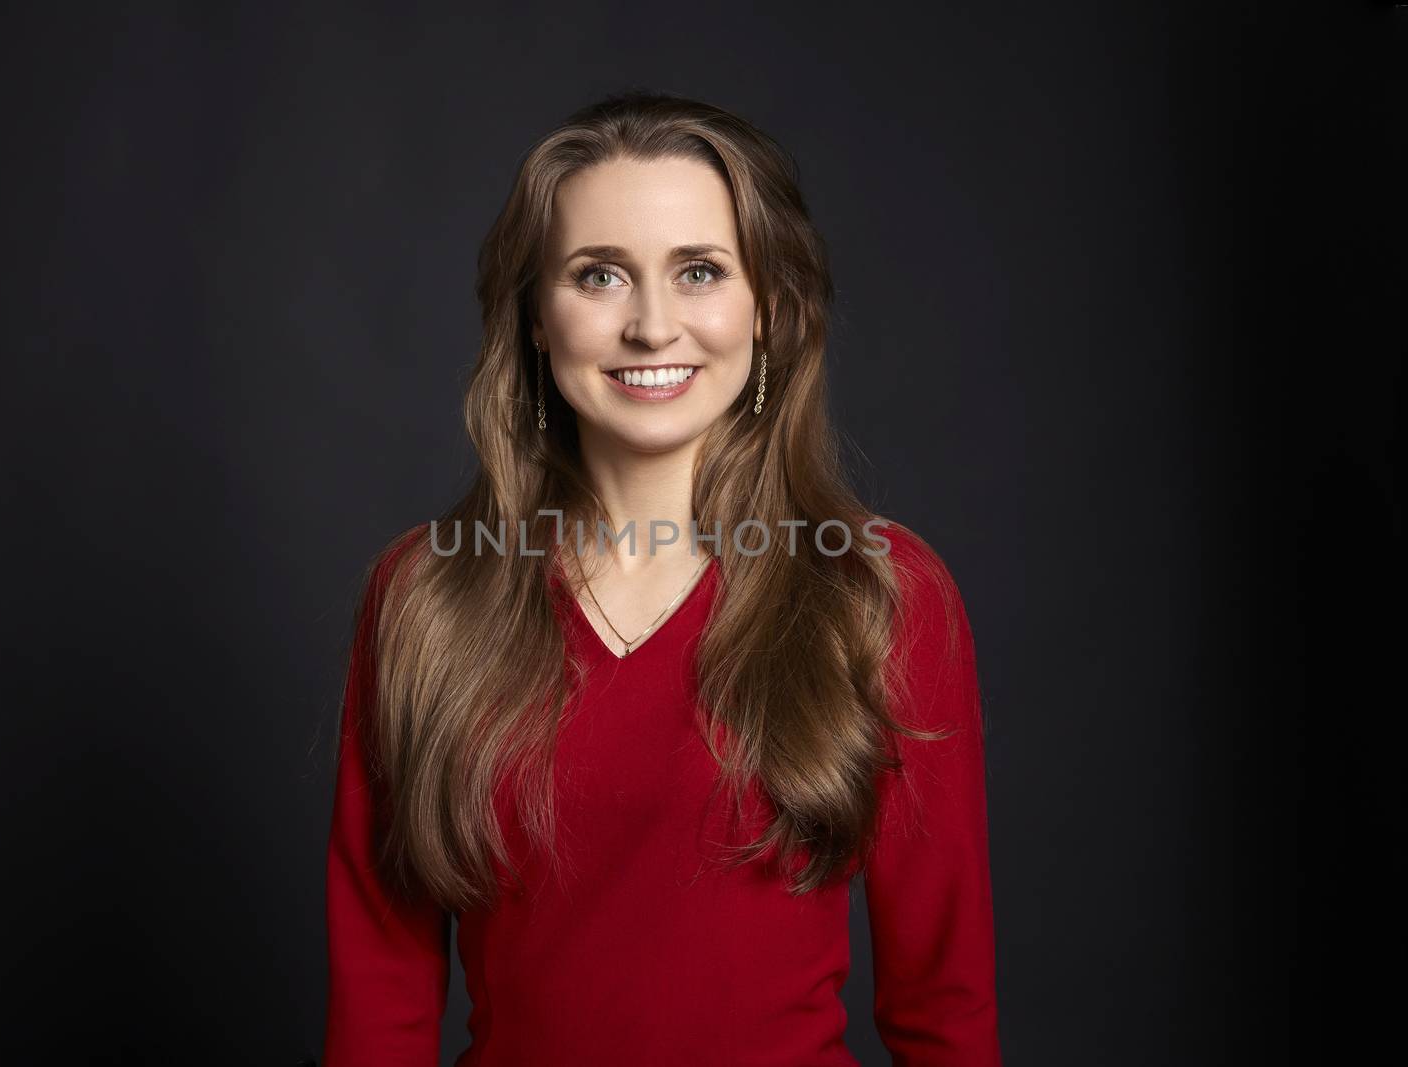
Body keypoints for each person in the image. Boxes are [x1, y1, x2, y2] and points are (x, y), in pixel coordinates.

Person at [323, 89, 1001, 1066]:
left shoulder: (878, 594)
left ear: (767, 308)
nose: (650, 324)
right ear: (535, 317)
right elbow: (377, 1005)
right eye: (599, 274)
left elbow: (946, 1010)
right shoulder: (426, 594)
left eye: (699, 271)